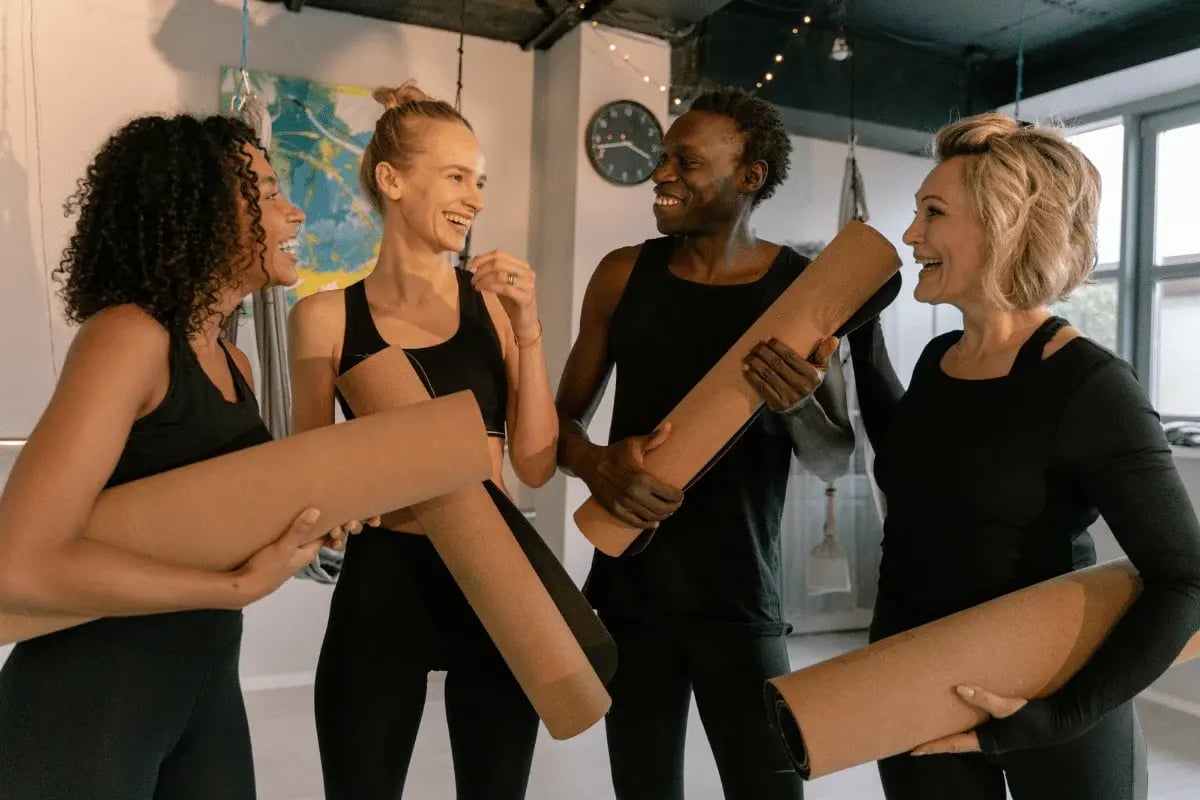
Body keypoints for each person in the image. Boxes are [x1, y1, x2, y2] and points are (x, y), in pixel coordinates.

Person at [847, 112, 1200, 800]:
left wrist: (1061, 716)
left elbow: (1186, 579)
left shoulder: (1090, 384)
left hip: (1052, 694)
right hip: (917, 679)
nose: (912, 235)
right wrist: (862, 341)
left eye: (933, 212)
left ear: (1003, 227)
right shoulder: (938, 359)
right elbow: (920, 467)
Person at [0, 114, 334, 799]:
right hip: (87, 702)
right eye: (268, 192)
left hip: (203, 688)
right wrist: (235, 589)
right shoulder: (129, 339)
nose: (293, 212)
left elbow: (203, 523)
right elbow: (17, 563)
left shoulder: (234, 363)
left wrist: (309, 522)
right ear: (202, 211)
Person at [555, 86, 856, 800]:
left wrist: (799, 406)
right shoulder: (622, 274)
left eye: (685, 162)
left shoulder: (804, 289)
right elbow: (558, 427)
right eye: (663, 158)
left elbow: (834, 458)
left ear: (749, 176)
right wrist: (596, 463)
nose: (661, 174)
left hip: (740, 594)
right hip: (631, 590)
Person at [288, 81, 559, 800]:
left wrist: (529, 330)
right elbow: (308, 473)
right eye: (457, 177)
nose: (475, 199)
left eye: (480, 182)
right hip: (385, 583)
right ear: (392, 180)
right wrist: (334, 507)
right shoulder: (323, 318)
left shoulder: (495, 308)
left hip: (496, 574)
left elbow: (535, 464)